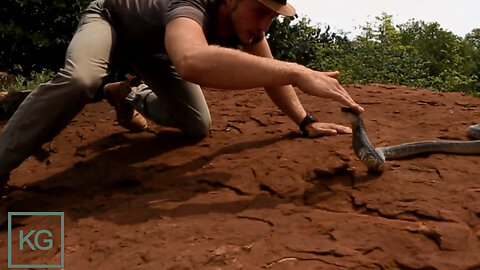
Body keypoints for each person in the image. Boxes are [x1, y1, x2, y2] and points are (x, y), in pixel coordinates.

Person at [0, 0, 364, 195]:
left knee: (197, 125)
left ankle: (126, 95)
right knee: (81, 78)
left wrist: (306, 121)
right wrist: (298, 71)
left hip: (155, 53)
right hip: (112, 21)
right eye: (260, 11)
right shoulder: (192, 4)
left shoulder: (249, 28)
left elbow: (271, 76)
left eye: (272, 16)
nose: (264, 24)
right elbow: (191, 62)